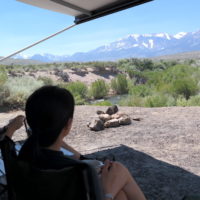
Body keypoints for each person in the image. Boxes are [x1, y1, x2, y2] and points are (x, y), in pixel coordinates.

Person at [2, 86, 146, 200]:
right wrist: (107, 193)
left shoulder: (17, 158)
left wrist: (12, 128)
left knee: (121, 195)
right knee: (119, 172)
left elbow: (5, 142)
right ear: (68, 124)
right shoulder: (79, 172)